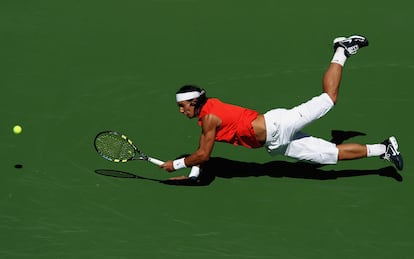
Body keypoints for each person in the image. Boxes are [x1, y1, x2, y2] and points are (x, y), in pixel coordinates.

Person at [160, 35, 404, 180]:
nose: (182, 111)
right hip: (275, 144)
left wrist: (177, 164)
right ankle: (384, 149)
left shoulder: (210, 117)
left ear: (194, 102)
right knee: (329, 156)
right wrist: (193, 174)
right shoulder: (207, 115)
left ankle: (341, 49)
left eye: (183, 106)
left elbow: (203, 154)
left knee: (329, 98)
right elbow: (203, 150)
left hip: (279, 124)